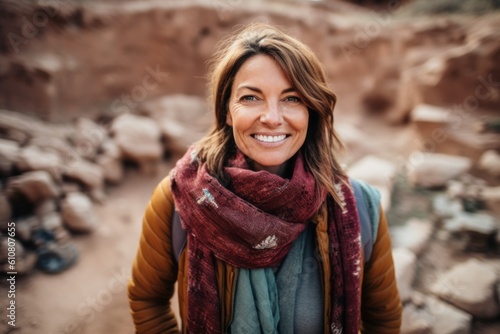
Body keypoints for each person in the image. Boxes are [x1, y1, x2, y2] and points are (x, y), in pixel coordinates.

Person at [128, 23, 402, 334]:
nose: (272, 118)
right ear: (227, 110)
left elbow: (382, 320)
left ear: (311, 110)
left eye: (292, 99)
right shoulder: (180, 198)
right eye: (250, 98)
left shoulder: (358, 207)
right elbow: (147, 299)